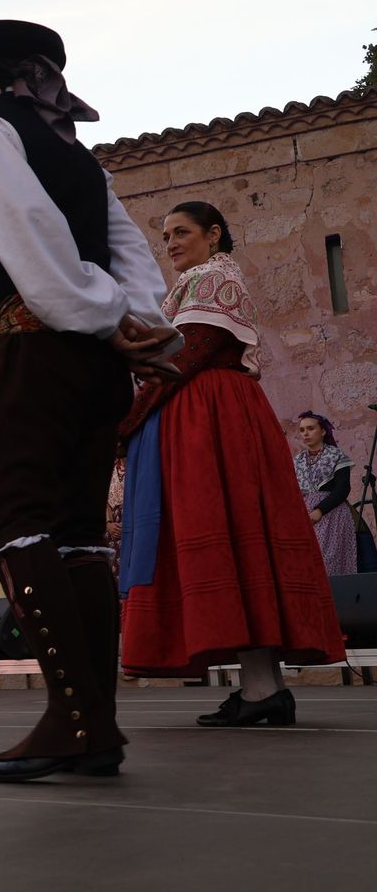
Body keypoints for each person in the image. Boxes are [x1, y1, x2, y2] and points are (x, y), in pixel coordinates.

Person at [0, 17, 178, 780]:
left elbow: (28, 234)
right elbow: (130, 253)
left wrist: (95, 314)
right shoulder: (78, 158)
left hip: (37, 345)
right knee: (78, 531)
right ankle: (96, 724)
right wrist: (138, 325)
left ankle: (74, 718)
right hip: (95, 359)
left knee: (9, 518)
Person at [118, 203, 345, 725]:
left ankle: (264, 690)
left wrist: (128, 420)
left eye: (183, 232)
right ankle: (262, 688)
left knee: (229, 537)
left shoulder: (211, 279)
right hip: (208, 413)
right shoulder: (202, 280)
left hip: (211, 415)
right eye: (167, 235)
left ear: (214, 234)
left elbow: (187, 354)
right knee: (243, 548)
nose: (171, 243)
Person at [294, 411, 357, 577]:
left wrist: (319, 511)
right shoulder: (298, 460)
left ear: (322, 431)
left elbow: (342, 489)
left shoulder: (336, 456)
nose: (305, 433)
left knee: (325, 559)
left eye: (310, 428)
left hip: (331, 513)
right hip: (302, 515)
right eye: (302, 430)